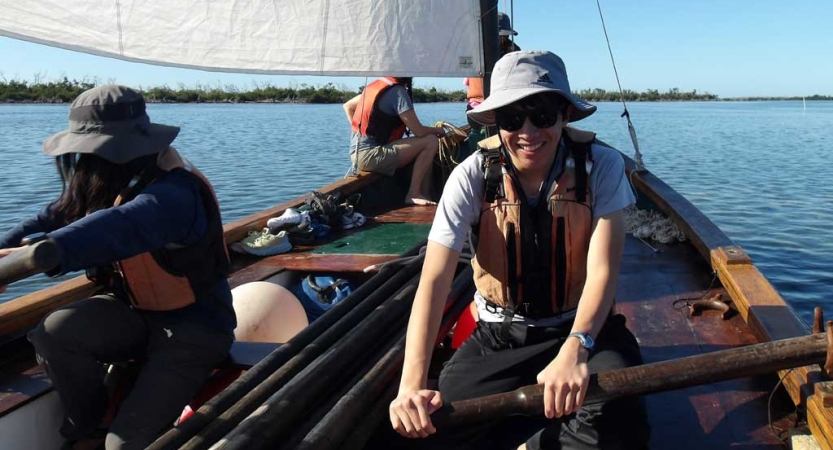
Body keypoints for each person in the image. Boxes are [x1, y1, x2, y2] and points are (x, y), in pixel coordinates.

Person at [389, 51, 650, 450]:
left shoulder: (602, 166)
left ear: (564, 114)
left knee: (618, 423)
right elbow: (435, 281)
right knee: (430, 428)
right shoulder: (471, 175)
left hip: (582, 329)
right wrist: (411, 384)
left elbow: (602, 272)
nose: (528, 131)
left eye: (542, 114)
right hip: (500, 336)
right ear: (497, 123)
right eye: (512, 118)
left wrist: (575, 348)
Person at [0, 85, 236, 450]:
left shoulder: (174, 193)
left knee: (124, 446)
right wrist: (6, 251)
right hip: (132, 313)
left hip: (195, 329)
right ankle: (89, 425)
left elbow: (121, 224)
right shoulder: (107, 181)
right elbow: (52, 217)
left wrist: (44, 252)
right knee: (54, 332)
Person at [344, 77, 446, 206]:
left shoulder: (377, 87)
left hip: (357, 154)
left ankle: (424, 194)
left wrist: (360, 131)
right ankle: (413, 194)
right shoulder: (397, 92)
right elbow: (419, 131)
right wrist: (438, 130)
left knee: (424, 142)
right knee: (431, 141)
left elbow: (347, 106)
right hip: (371, 155)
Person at [465, 12, 522, 131]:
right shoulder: (475, 55)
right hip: (478, 112)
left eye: (505, 37)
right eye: (502, 36)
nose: (504, 39)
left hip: (486, 111)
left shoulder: (473, 51)